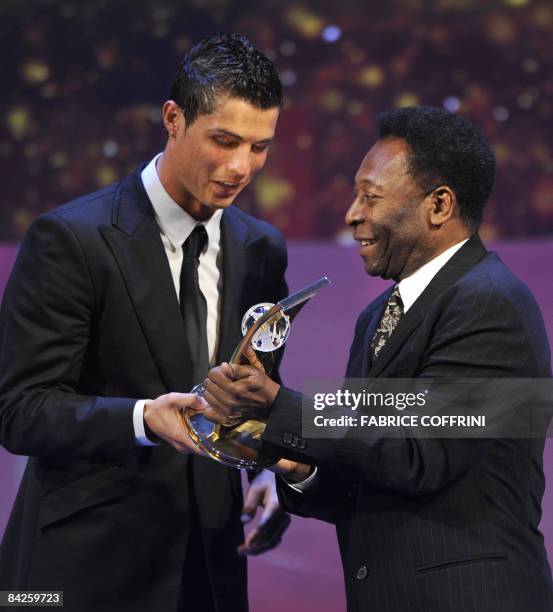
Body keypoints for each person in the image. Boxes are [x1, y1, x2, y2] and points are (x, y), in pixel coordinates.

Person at [201, 107, 553, 611]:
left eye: (371, 196)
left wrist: (280, 406)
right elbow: (365, 477)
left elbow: (420, 455)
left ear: (439, 205)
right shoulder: (376, 318)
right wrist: (291, 463)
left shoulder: (490, 300)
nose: (352, 214)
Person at [0, 33, 290, 612]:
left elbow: (246, 397)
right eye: (225, 140)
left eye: (259, 147)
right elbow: (19, 410)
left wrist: (264, 470)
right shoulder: (72, 240)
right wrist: (141, 418)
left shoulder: (262, 249)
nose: (240, 168)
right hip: (81, 571)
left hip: (210, 568)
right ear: (173, 119)